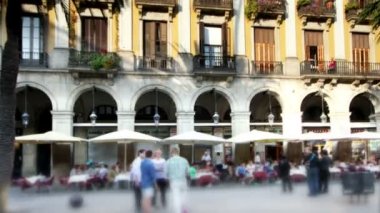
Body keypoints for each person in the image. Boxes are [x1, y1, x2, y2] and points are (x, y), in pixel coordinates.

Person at [166, 147, 190, 213]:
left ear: (171, 153)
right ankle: (184, 209)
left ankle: (178, 211)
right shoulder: (184, 160)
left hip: (174, 182)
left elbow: (165, 173)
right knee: (184, 196)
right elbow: (188, 172)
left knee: (176, 197)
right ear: (178, 152)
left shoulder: (168, 161)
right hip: (183, 180)